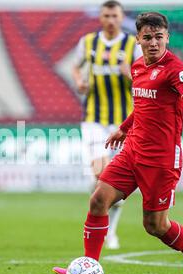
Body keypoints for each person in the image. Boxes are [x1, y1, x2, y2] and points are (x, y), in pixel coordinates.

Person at [54, 12, 183, 274]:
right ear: (138, 39)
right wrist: (123, 128)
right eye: (148, 37)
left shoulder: (175, 70)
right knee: (98, 200)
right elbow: (143, 107)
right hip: (132, 151)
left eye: (159, 37)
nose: (154, 42)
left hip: (161, 160)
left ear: (167, 37)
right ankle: (89, 267)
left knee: (155, 226)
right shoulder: (138, 66)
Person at [72, 0, 142, 250]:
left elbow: (145, 80)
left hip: (125, 124)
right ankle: (105, 227)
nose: (110, 20)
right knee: (102, 176)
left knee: (115, 182)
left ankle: (110, 232)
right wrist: (80, 81)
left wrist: (130, 75)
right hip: (94, 120)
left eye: (115, 15)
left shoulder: (133, 45)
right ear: (100, 18)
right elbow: (75, 67)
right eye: (106, 15)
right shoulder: (88, 42)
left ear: (121, 17)